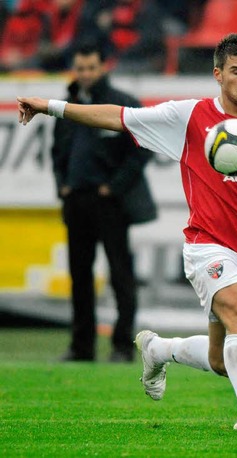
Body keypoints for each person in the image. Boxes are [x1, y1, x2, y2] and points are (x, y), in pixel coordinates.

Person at [17, 33, 237, 432]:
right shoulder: (190, 117)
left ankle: (159, 349)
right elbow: (119, 117)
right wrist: (50, 107)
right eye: (236, 72)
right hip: (207, 244)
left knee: (221, 360)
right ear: (218, 74)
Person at [50, 42, 156, 363]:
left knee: (120, 274)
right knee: (79, 276)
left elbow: (144, 147)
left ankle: (122, 346)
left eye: (90, 68)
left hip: (110, 203)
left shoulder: (122, 105)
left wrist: (115, 187)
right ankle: (81, 347)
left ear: (103, 67)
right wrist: (63, 186)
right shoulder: (66, 106)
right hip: (77, 201)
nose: (85, 74)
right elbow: (58, 153)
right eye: (80, 68)